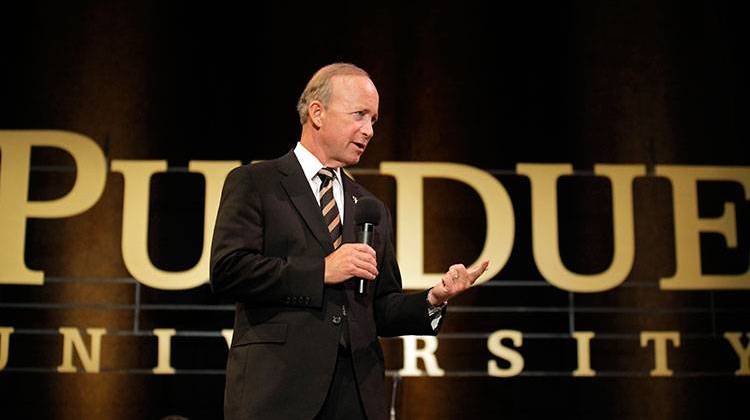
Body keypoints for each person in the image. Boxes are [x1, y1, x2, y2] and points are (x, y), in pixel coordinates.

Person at [210, 63, 489, 420]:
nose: (369, 130)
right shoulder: (256, 182)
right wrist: (322, 270)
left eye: (374, 119)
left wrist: (434, 299)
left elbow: (381, 308)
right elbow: (229, 271)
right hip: (278, 391)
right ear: (317, 113)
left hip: (357, 393)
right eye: (359, 115)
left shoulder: (369, 206)